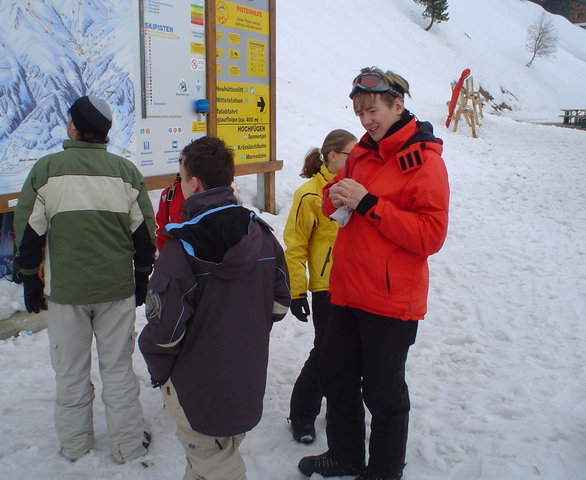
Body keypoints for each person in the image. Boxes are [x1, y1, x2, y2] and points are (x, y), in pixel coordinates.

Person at [298, 67, 450, 480]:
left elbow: (430, 235)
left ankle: (384, 471)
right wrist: (334, 196)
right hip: (347, 290)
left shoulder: (424, 162)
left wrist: (370, 204)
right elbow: (333, 202)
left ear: (397, 106)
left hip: (390, 299)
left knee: (383, 393)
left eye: (373, 111)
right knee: (337, 377)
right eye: (360, 113)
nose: (366, 120)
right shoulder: (362, 153)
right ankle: (345, 455)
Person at [13, 95, 157, 463]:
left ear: (75, 128)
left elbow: (28, 232)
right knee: (118, 369)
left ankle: (76, 445)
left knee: (70, 371)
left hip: (66, 293)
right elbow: (145, 235)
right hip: (116, 290)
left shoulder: (47, 170)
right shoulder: (126, 173)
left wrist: (30, 278)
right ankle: (128, 445)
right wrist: (142, 276)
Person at [138, 136, 291, 480]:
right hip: (246, 379)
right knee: (210, 459)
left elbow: (163, 334)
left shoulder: (180, 250)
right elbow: (280, 304)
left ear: (194, 183)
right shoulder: (263, 236)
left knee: (217, 464)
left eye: (180, 177)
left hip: (196, 388)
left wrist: (160, 373)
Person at [285, 129, 357, 444]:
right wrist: (297, 291)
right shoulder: (310, 194)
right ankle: (302, 414)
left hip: (357, 284)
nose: (357, 160)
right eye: (351, 154)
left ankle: (340, 411)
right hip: (326, 287)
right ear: (332, 156)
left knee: (351, 354)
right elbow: (295, 246)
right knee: (325, 352)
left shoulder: (356, 188)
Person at [155, 173, 185, 251]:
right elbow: (162, 225)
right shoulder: (169, 193)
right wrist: (164, 252)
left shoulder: (204, 191)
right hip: (176, 251)